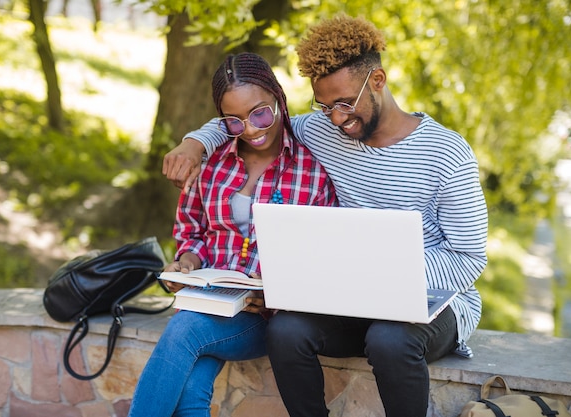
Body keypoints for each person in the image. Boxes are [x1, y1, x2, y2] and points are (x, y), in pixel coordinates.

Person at [162, 14, 488, 417]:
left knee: (390, 339)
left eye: (345, 103)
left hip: (431, 302)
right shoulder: (324, 130)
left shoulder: (447, 154)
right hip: (351, 297)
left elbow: (470, 258)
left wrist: (390, 270)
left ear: (379, 81)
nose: (336, 117)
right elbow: (249, 119)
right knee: (286, 330)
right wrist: (195, 143)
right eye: (325, 105)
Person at [127, 52, 337, 417]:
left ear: (278, 98)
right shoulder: (211, 163)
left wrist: (275, 288)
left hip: (263, 316)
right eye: (236, 122)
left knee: (184, 331)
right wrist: (188, 261)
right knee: (191, 390)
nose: (252, 129)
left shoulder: (312, 172)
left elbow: (324, 257)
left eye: (260, 113)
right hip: (209, 301)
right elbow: (192, 230)